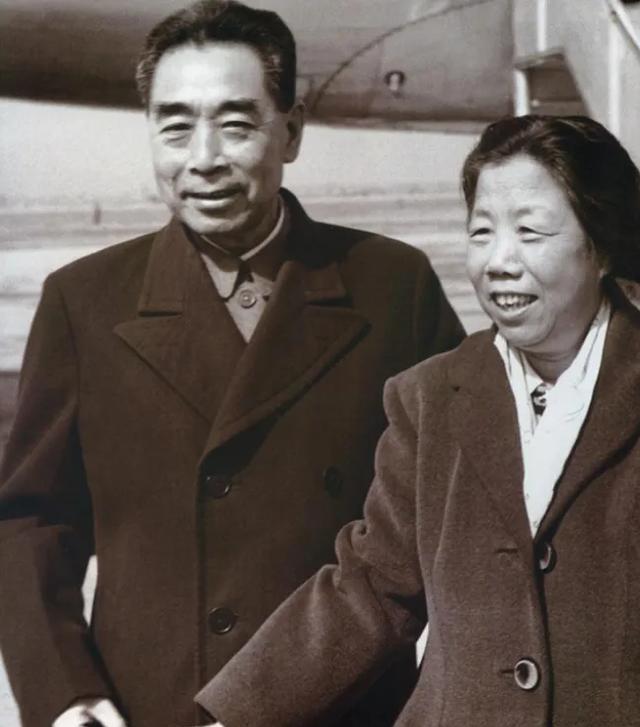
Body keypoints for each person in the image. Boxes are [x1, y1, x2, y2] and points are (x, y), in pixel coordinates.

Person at [0, 2, 464, 727]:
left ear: (293, 130)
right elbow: (31, 524)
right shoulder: (83, 301)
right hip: (147, 712)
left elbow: (455, 513)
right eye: (175, 125)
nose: (204, 157)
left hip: (345, 707)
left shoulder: (394, 288)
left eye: (237, 124)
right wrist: (68, 696)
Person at [196, 114, 640, 727]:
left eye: (530, 232)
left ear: (602, 246)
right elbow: (371, 588)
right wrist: (237, 715)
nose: (499, 261)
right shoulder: (429, 399)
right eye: (481, 232)